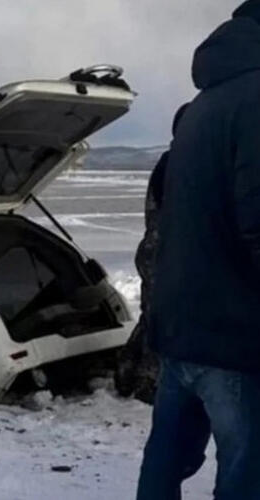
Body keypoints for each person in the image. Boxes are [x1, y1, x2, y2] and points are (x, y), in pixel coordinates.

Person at [137, 2, 260, 499]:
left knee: (166, 458)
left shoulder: (204, 105)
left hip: (181, 325)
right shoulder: (255, 101)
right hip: (234, 334)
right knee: (246, 472)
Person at [115, 103, 189, 404]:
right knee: (159, 319)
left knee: (151, 316)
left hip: (154, 253)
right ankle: (146, 382)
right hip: (163, 254)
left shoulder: (168, 161)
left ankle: (125, 373)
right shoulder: (178, 163)